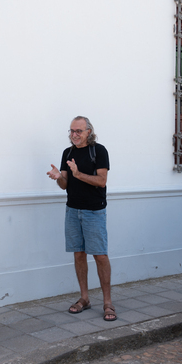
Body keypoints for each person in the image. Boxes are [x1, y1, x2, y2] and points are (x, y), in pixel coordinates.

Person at [46, 116, 115, 321]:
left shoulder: (99, 151)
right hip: (73, 211)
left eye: (78, 131)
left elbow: (101, 181)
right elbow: (65, 185)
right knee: (78, 254)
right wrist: (60, 177)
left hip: (94, 211)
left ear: (88, 132)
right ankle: (84, 298)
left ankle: (108, 302)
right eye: (71, 131)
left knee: (100, 256)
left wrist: (77, 173)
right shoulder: (67, 153)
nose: (74, 135)